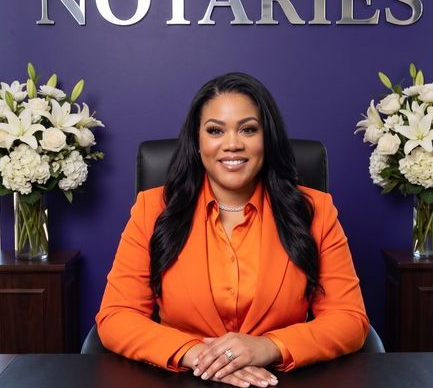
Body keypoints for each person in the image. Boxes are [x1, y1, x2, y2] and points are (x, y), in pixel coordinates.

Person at [96, 72, 368, 387]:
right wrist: (198, 354)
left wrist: (268, 347)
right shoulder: (152, 209)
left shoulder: (315, 211)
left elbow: (349, 320)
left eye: (248, 129)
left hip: (278, 378)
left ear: (267, 138)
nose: (233, 144)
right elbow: (116, 317)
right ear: (197, 141)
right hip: (185, 377)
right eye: (215, 130)